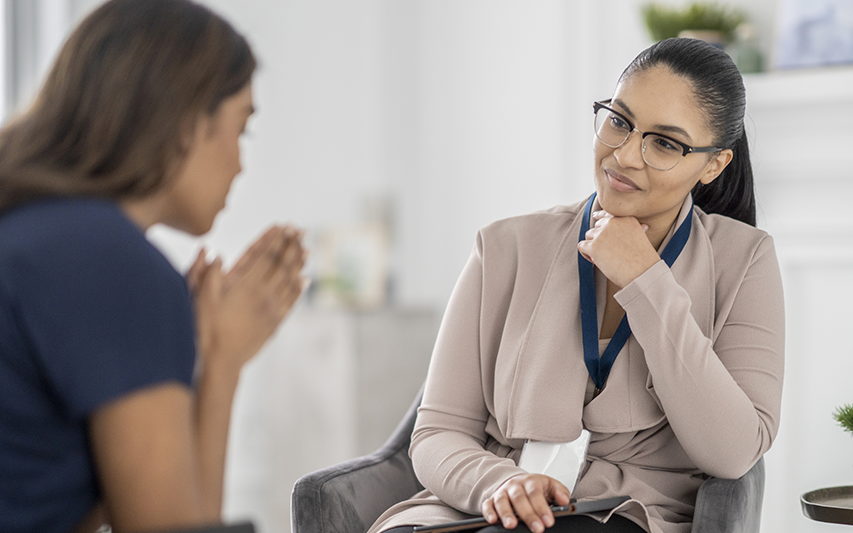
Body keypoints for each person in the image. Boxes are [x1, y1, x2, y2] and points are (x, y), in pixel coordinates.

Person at [367, 38, 784, 533]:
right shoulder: (504, 246)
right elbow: (439, 431)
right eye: (619, 121)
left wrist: (645, 280)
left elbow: (735, 452)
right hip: (479, 510)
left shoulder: (745, 259)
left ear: (713, 164)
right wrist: (499, 484)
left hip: (626, 516)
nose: (626, 155)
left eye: (665, 143)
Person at [0, 1, 306, 532]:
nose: (240, 162)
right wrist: (219, 364)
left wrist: (204, 357)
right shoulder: (112, 264)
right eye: (241, 130)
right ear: (186, 120)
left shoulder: (31, 227)